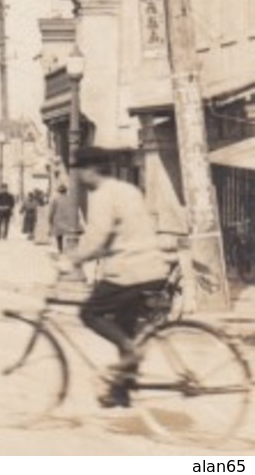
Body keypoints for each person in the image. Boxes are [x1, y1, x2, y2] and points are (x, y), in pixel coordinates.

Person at [58, 146, 173, 409]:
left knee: (89, 313)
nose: (79, 177)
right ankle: (121, 391)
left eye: (80, 170)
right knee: (123, 323)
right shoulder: (129, 190)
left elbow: (96, 239)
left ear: (90, 170)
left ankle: (130, 352)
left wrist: (70, 260)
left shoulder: (102, 195)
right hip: (153, 268)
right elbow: (126, 231)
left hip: (130, 270)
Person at [49, 183, 82, 253]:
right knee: (69, 236)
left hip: (58, 221)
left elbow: (51, 211)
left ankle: (60, 250)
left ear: (58, 191)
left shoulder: (55, 199)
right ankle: (69, 250)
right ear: (66, 191)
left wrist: (50, 220)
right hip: (69, 221)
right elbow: (75, 210)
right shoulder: (71, 199)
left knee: (59, 236)